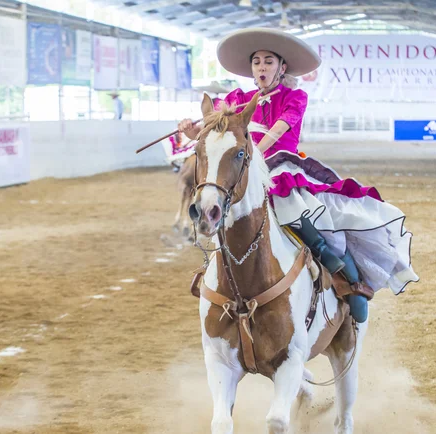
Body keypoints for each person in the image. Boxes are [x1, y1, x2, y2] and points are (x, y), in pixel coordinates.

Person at [178, 28, 418, 323]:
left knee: (295, 208)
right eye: (257, 62)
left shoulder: (295, 96)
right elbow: (215, 129)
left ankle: (339, 271)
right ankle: (217, 271)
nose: (262, 67)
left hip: (280, 166)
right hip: (243, 168)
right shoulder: (237, 97)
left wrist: (253, 155)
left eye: (268, 61)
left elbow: (278, 129)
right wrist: (193, 130)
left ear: (282, 67)